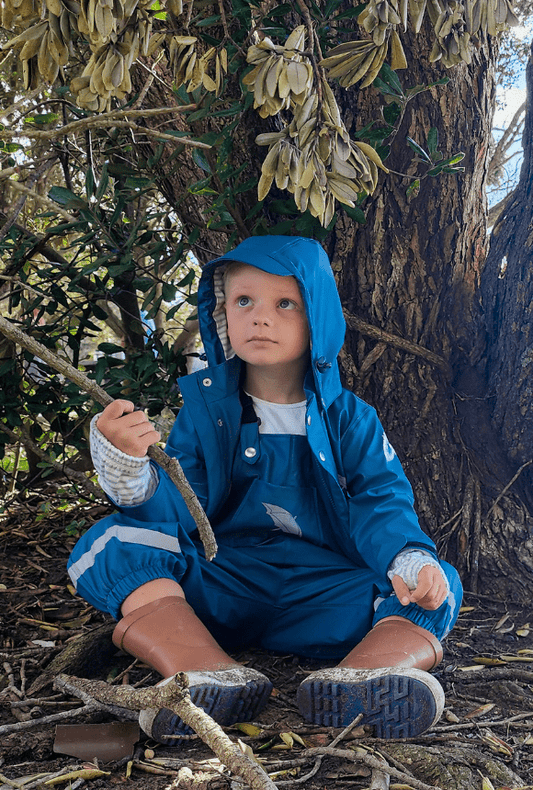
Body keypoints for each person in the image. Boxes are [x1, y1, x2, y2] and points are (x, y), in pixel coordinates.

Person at [68, 235, 462, 742]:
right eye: (244, 301)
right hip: (225, 587)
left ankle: (363, 678)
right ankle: (202, 675)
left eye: (285, 304)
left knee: (435, 583)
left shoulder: (350, 418)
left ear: (316, 317)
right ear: (222, 313)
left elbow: (380, 499)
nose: (260, 317)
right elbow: (185, 510)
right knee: (111, 543)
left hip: (327, 596)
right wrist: (130, 473)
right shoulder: (207, 411)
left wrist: (407, 558)